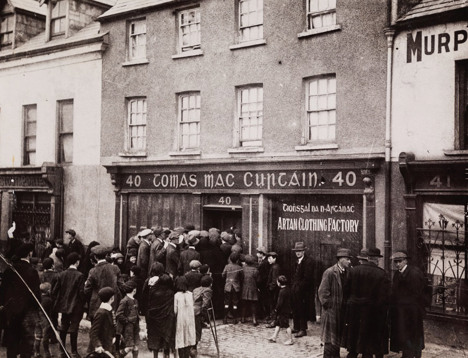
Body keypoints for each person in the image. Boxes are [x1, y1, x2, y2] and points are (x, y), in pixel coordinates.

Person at [342, 248, 390, 358]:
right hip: (372, 312)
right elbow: (384, 297)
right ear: (376, 260)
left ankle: (353, 353)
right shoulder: (381, 274)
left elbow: (346, 290)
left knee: (354, 337)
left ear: (367, 258)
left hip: (354, 310)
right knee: (368, 341)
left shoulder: (353, 271)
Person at [1, 243, 41, 358]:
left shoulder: (9, 270)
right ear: (30, 254)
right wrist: (36, 307)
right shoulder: (32, 271)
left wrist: (4, 305)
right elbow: (36, 295)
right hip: (27, 311)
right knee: (27, 343)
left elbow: (2, 291)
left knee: (12, 340)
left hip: (11, 311)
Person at [389, 251, 426, 358]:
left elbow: (417, 293)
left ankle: (413, 354)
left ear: (405, 261)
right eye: (395, 262)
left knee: (412, 334)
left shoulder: (414, 273)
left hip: (412, 311)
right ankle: (407, 354)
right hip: (402, 311)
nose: (397, 264)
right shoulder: (397, 273)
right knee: (405, 334)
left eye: (399, 261)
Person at [318, 247, 352, 358]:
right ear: (340, 259)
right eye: (347, 259)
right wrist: (329, 306)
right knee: (329, 339)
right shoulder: (330, 272)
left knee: (337, 338)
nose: (349, 261)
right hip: (331, 312)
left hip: (342, 311)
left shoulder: (348, 272)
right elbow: (322, 292)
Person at [52, 252, 85, 358]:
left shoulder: (61, 274)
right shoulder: (80, 275)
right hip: (76, 306)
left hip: (64, 305)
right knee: (74, 327)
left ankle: (62, 350)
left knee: (64, 326)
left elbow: (54, 291)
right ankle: (74, 352)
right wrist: (84, 304)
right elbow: (81, 293)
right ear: (77, 262)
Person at [140, 262, 175, 358]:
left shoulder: (148, 282)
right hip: (166, 312)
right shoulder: (168, 281)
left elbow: (143, 297)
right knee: (166, 333)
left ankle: (155, 355)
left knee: (154, 334)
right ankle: (166, 354)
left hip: (152, 313)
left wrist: (143, 311)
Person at [84, 245, 122, 321]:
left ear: (95, 257)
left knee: (96, 328)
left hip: (97, 305)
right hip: (112, 304)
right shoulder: (115, 268)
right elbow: (121, 285)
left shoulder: (93, 271)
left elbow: (87, 289)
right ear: (106, 256)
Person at [291, 241, 315, 338]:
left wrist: (299, 287)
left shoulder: (309, 262)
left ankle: (302, 329)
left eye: (300, 251)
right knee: (295, 308)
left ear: (304, 251)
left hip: (304, 291)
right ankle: (296, 327)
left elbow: (307, 278)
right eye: (296, 251)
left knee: (302, 309)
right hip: (296, 289)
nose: (298, 253)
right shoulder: (296, 261)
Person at [89, 287, 116, 355]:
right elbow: (93, 332)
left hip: (108, 344)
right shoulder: (101, 312)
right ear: (111, 298)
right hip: (101, 348)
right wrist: (98, 345)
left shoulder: (108, 310)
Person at [267, 275, 293, 345]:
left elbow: (279, 303)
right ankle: (274, 337)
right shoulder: (287, 289)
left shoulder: (281, 292)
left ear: (279, 283)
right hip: (286, 309)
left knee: (286, 325)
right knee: (278, 324)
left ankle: (290, 340)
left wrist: (276, 309)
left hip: (283, 311)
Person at [116, 281, 140, 358]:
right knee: (129, 347)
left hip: (135, 327)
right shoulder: (124, 301)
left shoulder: (135, 301)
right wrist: (127, 321)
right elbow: (119, 314)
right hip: (128, 328)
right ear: (134, 290)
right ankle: (118, 356)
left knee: (136, 346)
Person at [174, 277, 196, 358]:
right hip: (190, 320)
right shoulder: (190, 294)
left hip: (181, 320)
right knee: (188, 339)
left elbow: (175, 310)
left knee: (181, 339)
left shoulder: (176, 296)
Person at [222, 252, 243, 324]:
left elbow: (223, 275)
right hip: (236, 287)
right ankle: (235, 319)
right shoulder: (240, 268)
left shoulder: (227, 266)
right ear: (237, 260)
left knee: (226, 302)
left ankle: (225, 318)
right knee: (235, 303)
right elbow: (242, 277)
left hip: (227, 287)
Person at [33, 282, 53, 358]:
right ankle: (47, 353)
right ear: (48, 291)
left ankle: (37, 352)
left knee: (37, 336)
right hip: (45, 319)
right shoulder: (48, 300)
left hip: (37, 319)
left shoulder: (37, 299)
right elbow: (50, 312)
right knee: (45, 337)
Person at [193, 275, 213, 348]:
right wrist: (207, 319)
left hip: (191, 311)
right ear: (210, 283)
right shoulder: (208, 290)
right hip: (197, 312)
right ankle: (193, 349)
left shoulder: (196, 289)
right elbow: (205, 305)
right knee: (197, 331)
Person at [241, 254, 259, 326]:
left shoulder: (243, 269)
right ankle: (254, 319)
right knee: (253, 304)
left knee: (244, 303)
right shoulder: (255, 270)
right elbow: (258, 280)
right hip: (253, 288)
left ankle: (242, 318)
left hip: (244, 288)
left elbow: (241, 278)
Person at [266, 251, 281, 327]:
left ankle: (274, 322)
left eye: (270, 258)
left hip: (274, 290)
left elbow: (275, 280)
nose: (268, 260)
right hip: (273, 289)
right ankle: (273, 320)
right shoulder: (273, 266)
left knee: (274, 305)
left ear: (274, 259)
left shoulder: (275, 267)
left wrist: (271, 288)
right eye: (268, 258)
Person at [256, 246, 270, 320]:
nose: (257, 254)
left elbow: (263, 275)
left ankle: (266, 315)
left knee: (264, 300)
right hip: (263, 284)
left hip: (263, 284)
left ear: (262, 254)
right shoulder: (264, 261)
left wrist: (258, 284)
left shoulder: (264, 263)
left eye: (258, 253)